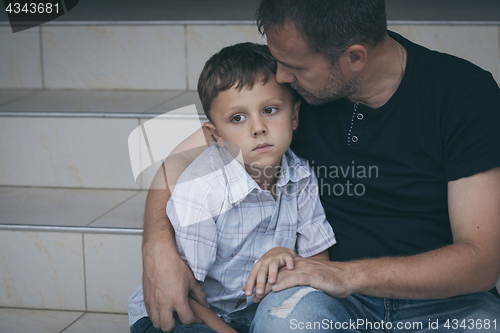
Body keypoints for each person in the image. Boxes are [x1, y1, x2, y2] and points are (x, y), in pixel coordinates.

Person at [140, 1, 500, 332]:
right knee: (283, 322)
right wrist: (157, 246)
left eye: (293, 67)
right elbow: (179, 161)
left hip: (443, 302)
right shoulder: (285, 100)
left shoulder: (464, 93)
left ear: (354, 58)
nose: (280, 76)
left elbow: (481, 261)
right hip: (325, 298)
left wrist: (346, 275)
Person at [128, 42, 335, 333]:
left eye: (270, 109)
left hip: (248, 315)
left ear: (294, 116)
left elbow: (319, 265)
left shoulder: (302, 178)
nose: (258, 127)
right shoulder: (202, 189)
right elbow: (181, 290)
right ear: (216, 135)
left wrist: (286, 257)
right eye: (237, 118)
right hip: (185, 313)